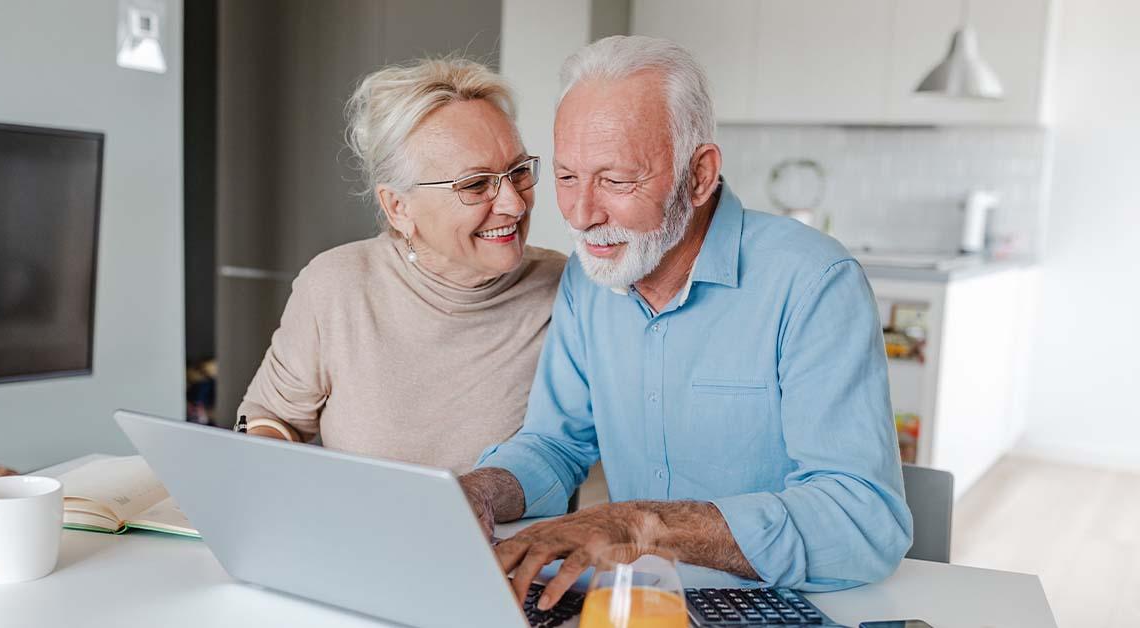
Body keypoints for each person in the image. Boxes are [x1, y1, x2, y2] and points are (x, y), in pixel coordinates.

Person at [457, 36, 912, 610]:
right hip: (639, 606)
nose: (581, 215)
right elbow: (555, 444)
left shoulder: (814, 281)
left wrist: (642, 524)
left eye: (616, 181)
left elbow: (863, 522)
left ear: (699, 175)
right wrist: (480, 490)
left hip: (782, 603)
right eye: (568, 177)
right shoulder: (589, 277)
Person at [237, 57, 565, 474]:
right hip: (358, 534)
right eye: (476, 184)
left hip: (504, 539)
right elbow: (271, 416)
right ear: (398, 207)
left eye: (518, 171)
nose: (514, 204)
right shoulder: (336, 285)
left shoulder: (564, 292)